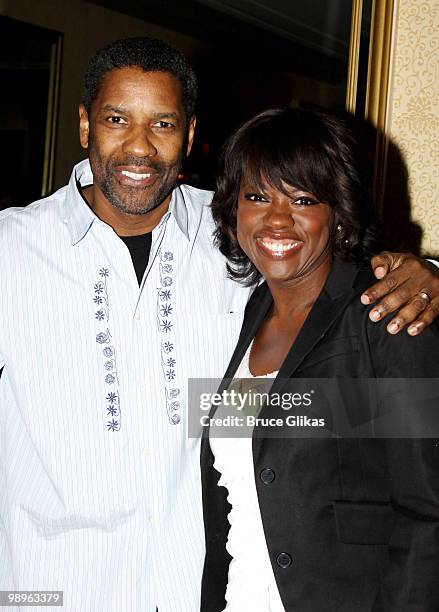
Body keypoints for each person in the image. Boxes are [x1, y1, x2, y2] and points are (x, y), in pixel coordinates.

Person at [0, 37, 437, 612]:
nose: (138, 146)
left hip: (197, 594)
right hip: (55, 595)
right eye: (115, 119)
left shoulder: (233, 240)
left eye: (162, 123)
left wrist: (427, 270)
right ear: (85, 126)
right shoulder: (12, 249)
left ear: (189, 131)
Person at [201, 108, 439, 611]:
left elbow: (428, 511)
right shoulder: (252, 312)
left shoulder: (384, 317)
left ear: (338, 211)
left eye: (303, 198)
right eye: (258, 196)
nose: (277, 218)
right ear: (234, 211)